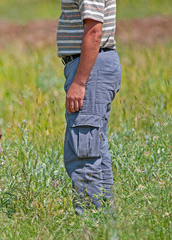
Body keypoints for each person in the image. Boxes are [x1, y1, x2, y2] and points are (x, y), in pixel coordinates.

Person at [57, 0, 122, 215]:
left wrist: (79, 82)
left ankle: (91, 224)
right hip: (92, 65)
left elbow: (94, 31)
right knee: (95, 150)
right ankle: (105, 221)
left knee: (82, 152)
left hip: (90, 67)